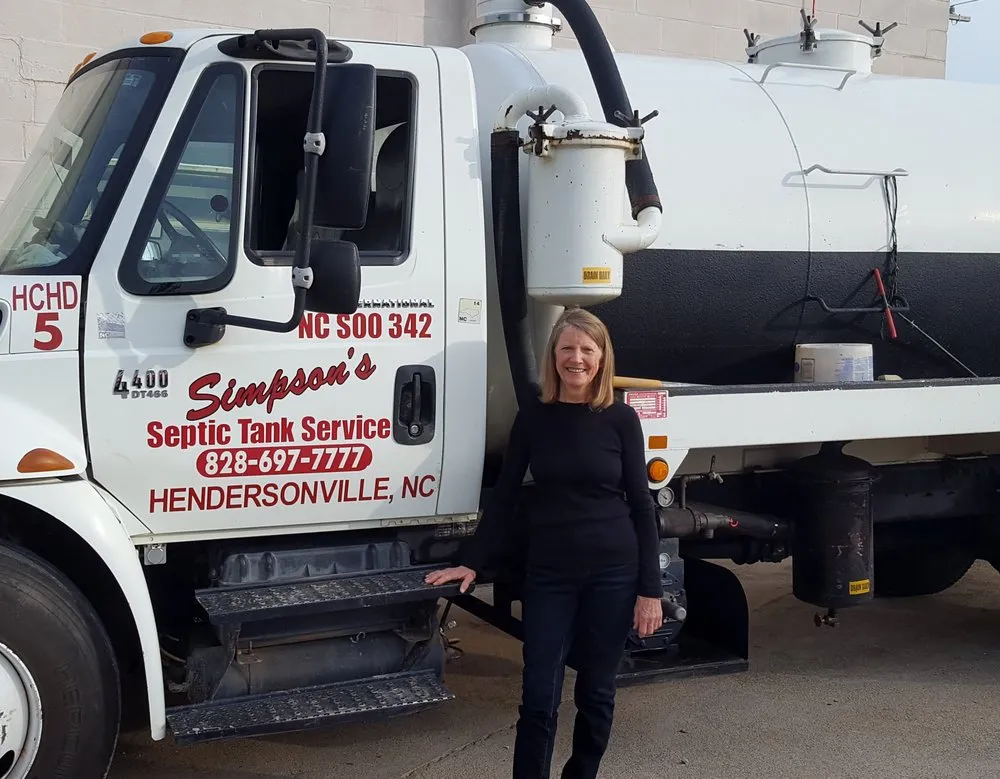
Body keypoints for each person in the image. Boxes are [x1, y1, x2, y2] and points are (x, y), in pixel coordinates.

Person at [425, 307, 664, 779]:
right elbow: (507, 496)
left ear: (601, 358)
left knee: (596, 693)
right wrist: (472, 561)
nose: (576, 359)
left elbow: (642, 506)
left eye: (586, 350)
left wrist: (650, 591)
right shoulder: (535, 418)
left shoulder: (621, 420)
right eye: (567, 349)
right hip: (551, 576)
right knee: (538, 696)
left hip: (614, 576)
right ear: (553, 356)